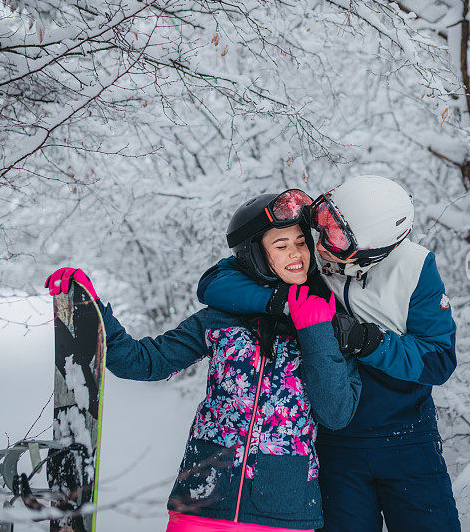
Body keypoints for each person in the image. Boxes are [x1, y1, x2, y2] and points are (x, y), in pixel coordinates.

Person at [45, 189, 362, 531]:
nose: (296, 254)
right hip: (203, 501)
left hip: (284, 510)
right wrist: (93, 311)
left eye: (301, 243)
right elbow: (143, 362)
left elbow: (336, 413)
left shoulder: (334, 323)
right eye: (281, 246)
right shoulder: (221, 319)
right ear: (257, 255)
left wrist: (314, 329)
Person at [196, 175, 460, 532]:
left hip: (407, 438)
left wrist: (372, 343)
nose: (322, 237)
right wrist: (284, 303)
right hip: (336, 441)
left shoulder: (415, 269)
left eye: (337, 234)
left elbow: (438, 359)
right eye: (325, 220)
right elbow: (216, 281)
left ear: (370, 250)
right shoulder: (307, 251)